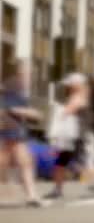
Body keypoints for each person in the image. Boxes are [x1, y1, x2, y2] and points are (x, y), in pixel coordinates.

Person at [45, 73, 94, 199]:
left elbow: (67, 111)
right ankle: (57, 189)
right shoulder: (78, 96)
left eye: (70, 84)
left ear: (77, 85)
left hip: (80, 136)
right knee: (61, 162)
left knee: (85, 163)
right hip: (72, 136)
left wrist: (59, 112)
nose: (68, 87)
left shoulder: (79, 97)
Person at [0, 61, 44, 207]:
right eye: (29, 71)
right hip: (10, 129)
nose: (32, 75)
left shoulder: (17, 87)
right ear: (19, 72)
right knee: (18, 162)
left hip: (13, 129)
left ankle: (31, 195)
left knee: (24, 162)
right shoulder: (14, 85)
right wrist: (31, 113)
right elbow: (9, 108)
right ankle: (31, 195)